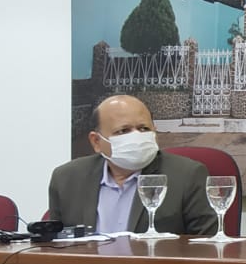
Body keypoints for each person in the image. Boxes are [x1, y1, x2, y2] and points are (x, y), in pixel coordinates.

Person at [48, 95, 218, 236]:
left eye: (144, 129)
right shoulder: (66, 179)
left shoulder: (187, 176)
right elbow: (55, 246)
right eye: (123, 131)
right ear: (96, 141)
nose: (136, 137)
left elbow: (205, 248)